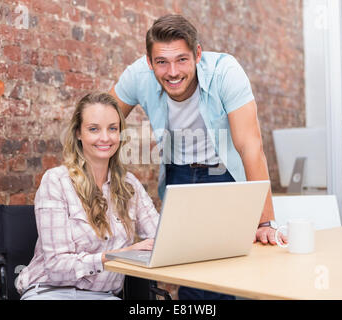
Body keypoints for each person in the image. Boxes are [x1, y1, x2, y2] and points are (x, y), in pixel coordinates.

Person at [109, 14, 285, 300]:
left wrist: (265, 221)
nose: (172, 71)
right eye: (161, 62)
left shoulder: (225, 71)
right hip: (179, 174)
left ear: (198, 54)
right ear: (149, 60)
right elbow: (102, 116)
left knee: (223, 266)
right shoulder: (138, 75)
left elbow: (250, 145)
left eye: (181, 60)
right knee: (189, 265)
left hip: (223, 172)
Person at [15, 92, 159, 300]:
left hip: (104, 296)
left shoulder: (129, 185)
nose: (105, 138)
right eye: (93, 129)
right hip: (50, 292)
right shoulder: (56, 181)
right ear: (78, 133)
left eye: (113, 128)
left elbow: (161, 239)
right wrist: (118, 256)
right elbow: (57, 267)